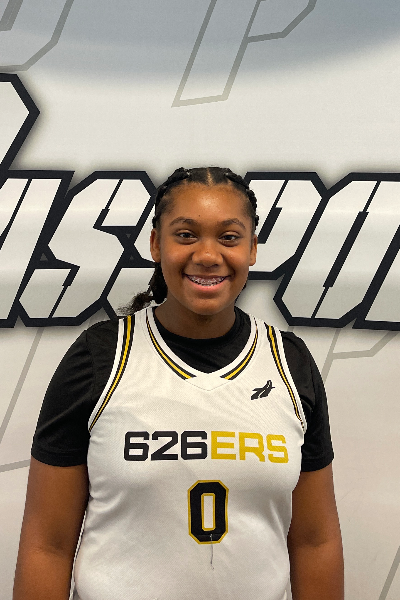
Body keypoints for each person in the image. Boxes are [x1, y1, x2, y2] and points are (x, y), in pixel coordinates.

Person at [13, 167, 344, 600]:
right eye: (185, 235)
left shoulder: (289, 362)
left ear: (252, 249)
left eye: (229, 237)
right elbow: (47, 545)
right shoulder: (99, 358)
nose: (207, 255)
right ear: (156, 243)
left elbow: (315, 542)